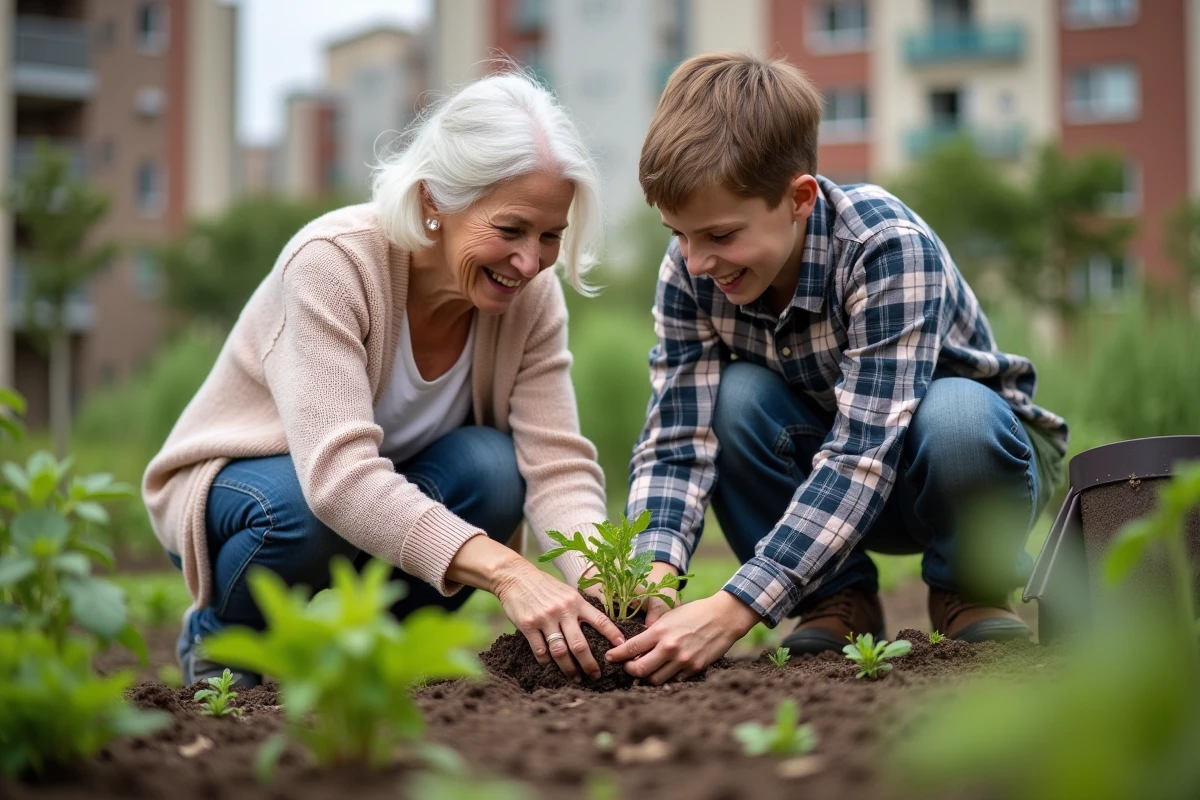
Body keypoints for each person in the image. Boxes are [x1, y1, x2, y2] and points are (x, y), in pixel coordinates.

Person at [143, 70, 625, 687]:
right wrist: (509, 572)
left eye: (549, 235)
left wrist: (613, 588)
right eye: (509, 230)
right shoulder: (333, 263)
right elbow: (338, 479)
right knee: (300, 510)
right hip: (249, 494)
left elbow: (555, 466)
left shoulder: (532, 299)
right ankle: (223, 641)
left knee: (496, 469)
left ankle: (377, 654)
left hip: (383, 495)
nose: (529, 262)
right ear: (434, 201)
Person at [604, 53, 1068, 685]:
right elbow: (677, 440)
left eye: (718, 235)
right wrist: (654, 570)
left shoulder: (885, 248)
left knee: (955, 414)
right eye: (678, 234)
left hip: (964, 467)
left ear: (798, 198)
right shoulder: (690, 270)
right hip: (834, 489)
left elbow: (864, 450)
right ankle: (834, 598)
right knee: (731, 402)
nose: (696, 260)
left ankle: (970, 589)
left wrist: (735, 606)